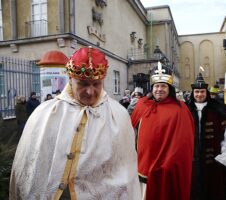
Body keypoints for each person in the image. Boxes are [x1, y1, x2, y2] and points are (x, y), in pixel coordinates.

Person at [10, 47, 141, 199]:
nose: (90, 91)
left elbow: (127, 173)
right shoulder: (45, 113)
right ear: (70, 79)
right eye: (83, 84)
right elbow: (28, 167)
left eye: (96, 84)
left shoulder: (118, 115)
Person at [130, 61, 195, 200]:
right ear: (152, 88)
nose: (159, 89)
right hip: (143, 165)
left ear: (169, 88)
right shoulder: (143, 105)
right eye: (157, 86)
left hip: (167, 169)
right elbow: (130, 132)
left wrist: (168, 164)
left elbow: (184, 144)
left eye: (163, 86)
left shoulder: (180, 109)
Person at [187, 73, 226, 200]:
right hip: (192, 163)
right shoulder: (186, 110)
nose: (199, 95)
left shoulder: (217, 110)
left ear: (206, 92)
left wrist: (223, 156)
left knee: (214, 192)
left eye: (202, 91)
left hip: (214, 162)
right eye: (197, 92)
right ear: (193, 93)